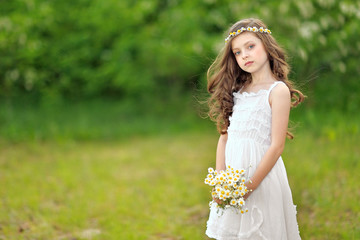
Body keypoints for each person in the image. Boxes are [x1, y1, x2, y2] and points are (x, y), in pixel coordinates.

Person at [205, 18, 304, 239]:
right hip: (234, 178)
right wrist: (221, 182)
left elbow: (277, 147)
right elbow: (224, 138)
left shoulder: (277, 91)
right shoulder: (237, 90)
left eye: (250, 46)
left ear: (266, 46)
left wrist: (248, 187)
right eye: (237, 52)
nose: (244, 55)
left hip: (261, 179)